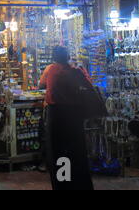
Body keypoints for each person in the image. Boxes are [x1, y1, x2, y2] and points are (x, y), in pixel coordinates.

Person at [39, 46, 94, 190]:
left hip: (56, 116)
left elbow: (43, 86)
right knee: (75, 151)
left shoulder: (51, 70)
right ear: (68, 56)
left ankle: (62, 184)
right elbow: (89, 87)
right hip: (73, 117)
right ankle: (77, 184)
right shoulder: (75, 72)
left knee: (58, 151)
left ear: (54, 57)